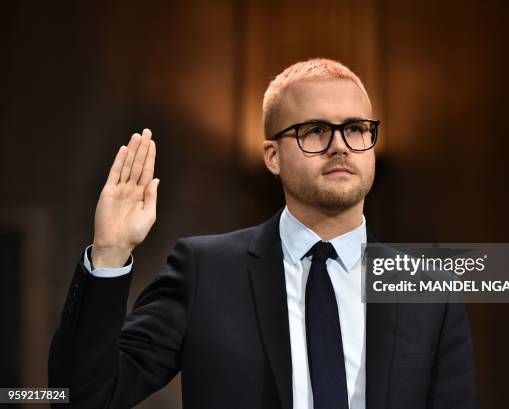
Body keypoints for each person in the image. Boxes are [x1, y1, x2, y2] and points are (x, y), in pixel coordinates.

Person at [48, 58, 476, 409]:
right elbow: (82, 397)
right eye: (315, 131)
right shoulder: (206, 272)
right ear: (272, 156)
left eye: (356, 129)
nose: (340, 145)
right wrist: (108, 255)